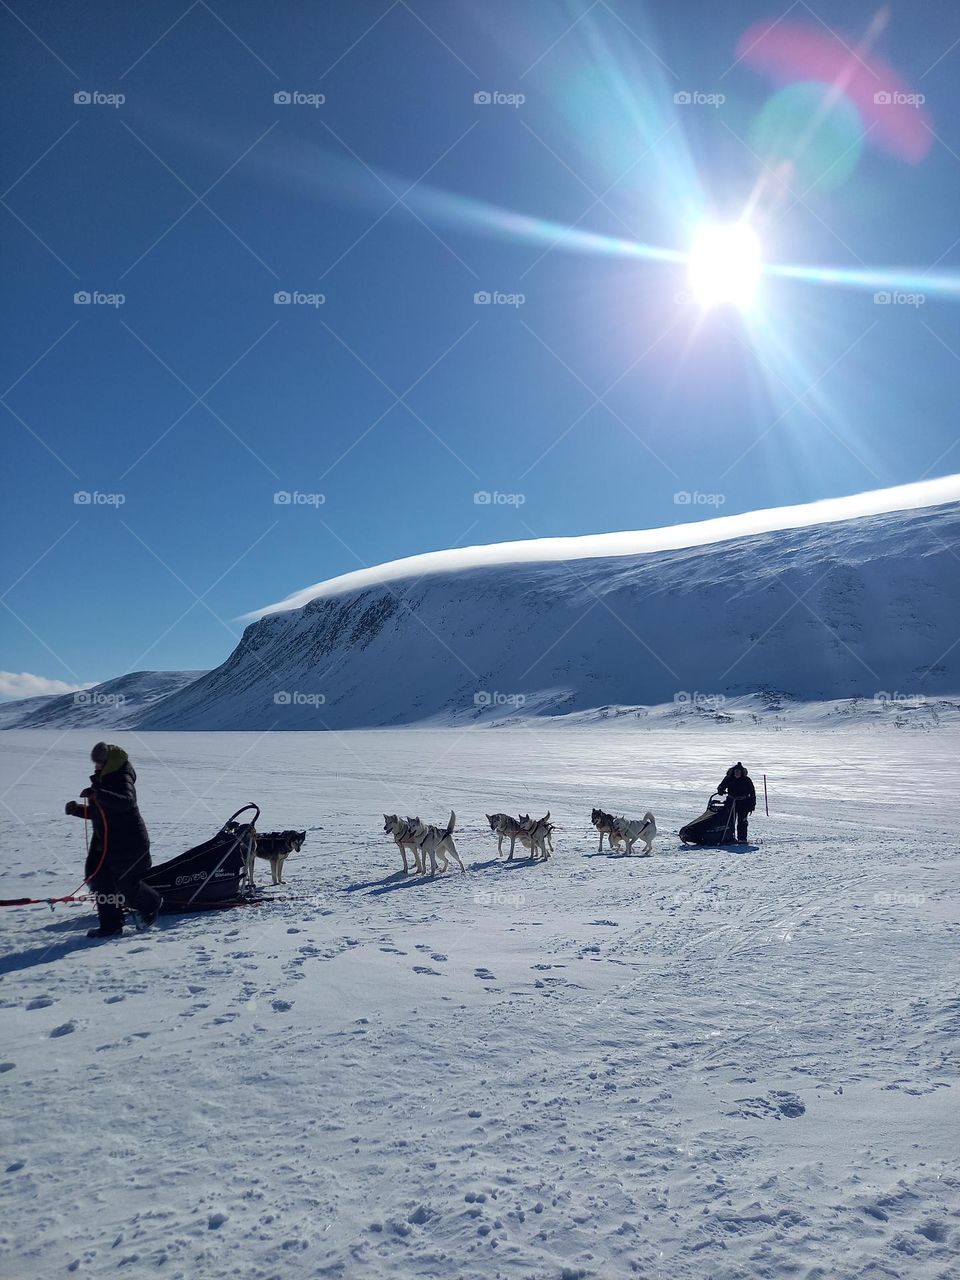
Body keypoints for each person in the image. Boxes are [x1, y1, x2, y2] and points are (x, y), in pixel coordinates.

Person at [65, 742, 161, 938]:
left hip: (129, 841)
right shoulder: (102, 780)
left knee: (126, 883)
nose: (96, 766)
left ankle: (151, 903)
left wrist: (98, 794)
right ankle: (111, 925)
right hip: (109, 842)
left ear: (109, 762)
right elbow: (100, 812)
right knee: (100, 880)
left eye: (100, 762)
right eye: (95, 763)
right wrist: (77, 810)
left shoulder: (122, 777)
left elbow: (126, 802)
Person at [717, 761, 756, 844]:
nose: (737, 773)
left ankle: (742, 838)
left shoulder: (747, 780)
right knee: (730, 821)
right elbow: (721, 786)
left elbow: (752, 793)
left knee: (742, 821)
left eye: (739, 772)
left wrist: (752, 805)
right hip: (731, 802)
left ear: (742, 772)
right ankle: (729, 837)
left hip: (743, 803)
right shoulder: (728, 778)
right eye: (736, 772)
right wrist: (720, 790)